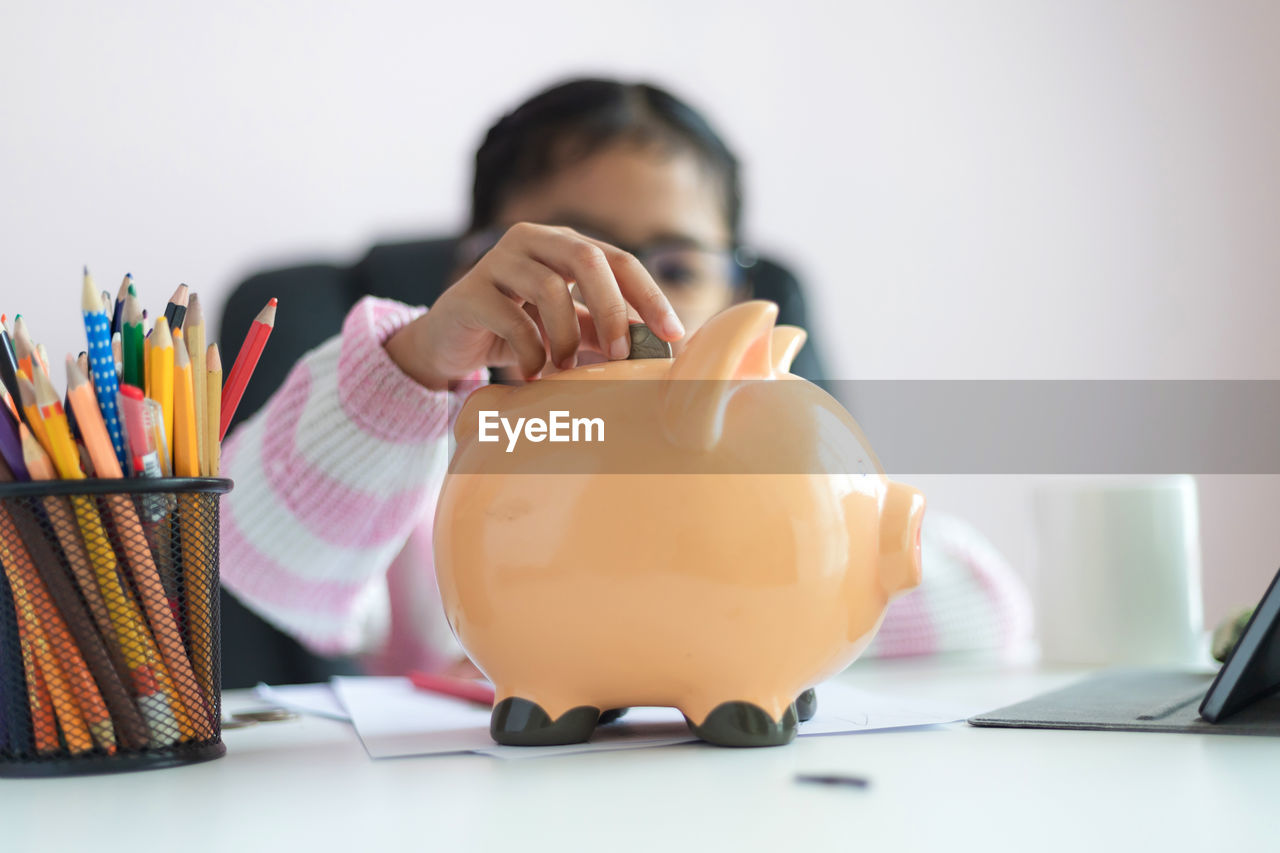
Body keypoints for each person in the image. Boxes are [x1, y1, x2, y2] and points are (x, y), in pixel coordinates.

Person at [219, 78, 1032, 686]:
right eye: (572, 255)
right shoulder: (446, 464)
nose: (628, 299)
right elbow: (261, 560)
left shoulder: (765, 472)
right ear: (477, 270)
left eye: (677, 266)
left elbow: (989, 614)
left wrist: (812, 560)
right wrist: (416, 363)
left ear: (740, 302)